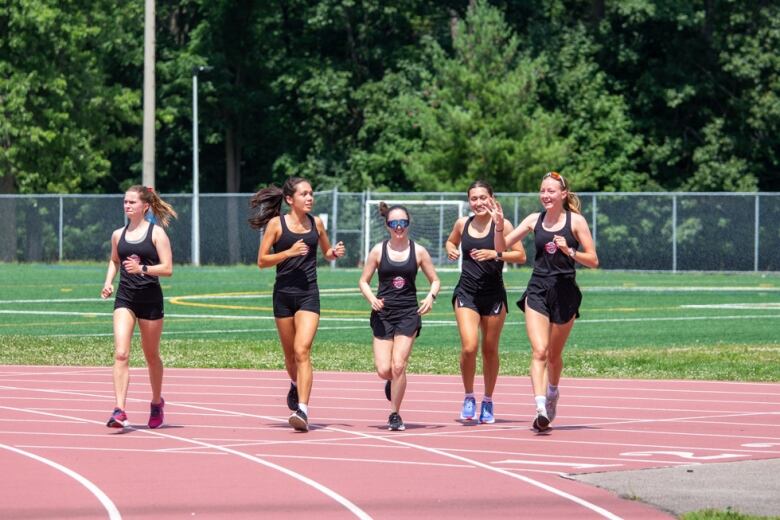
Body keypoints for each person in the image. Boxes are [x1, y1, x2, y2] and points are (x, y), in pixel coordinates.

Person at [492, 171, 599, 432]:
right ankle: (540, 408)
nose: (545, 196)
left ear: (563, 194)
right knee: (539, 351)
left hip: (565, 292)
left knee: (554, 355)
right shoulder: (533, 220)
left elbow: (593, 261)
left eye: (551, 191)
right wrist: (498, 226)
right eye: (542, 191)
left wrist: (569, 251)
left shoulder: (576, 222)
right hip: (538, 289)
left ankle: (552, 392)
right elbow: (501, 246)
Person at [249, 177, 345, 432]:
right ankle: (294, 383)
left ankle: (302, 409)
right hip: (282, 295)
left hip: (308, 295)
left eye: (311, 193)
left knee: (302, 351)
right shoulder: (276, 225)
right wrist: (288, 253)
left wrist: (333, 253)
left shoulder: (317, 223)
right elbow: (262, 260)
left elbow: (325, 253)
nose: (310, 198)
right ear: (290, 199)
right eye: (304, 194)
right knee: (290, 356)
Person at [445, 181, 526, 424]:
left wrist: (495, 254)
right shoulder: (463, 223)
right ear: (468, 201)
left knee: (490, 350)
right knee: (469, 346)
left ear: (492, 197)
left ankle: (488, 400)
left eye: (483, 197)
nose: (478, 203)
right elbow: (451, 241)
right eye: (474, 198)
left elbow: (521, 256)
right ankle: (469, 396)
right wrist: (451, 249)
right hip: (466, 293)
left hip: (493, 295)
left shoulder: (504, 224)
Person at [359, 203, 440, 431]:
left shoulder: (418, 251)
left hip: (408, 313)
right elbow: (363, 281)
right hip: (383, 313)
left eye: (402, 223)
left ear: (408, 224)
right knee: (384, 370)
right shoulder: (378, 251)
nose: (398, 227)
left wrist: (430, 297)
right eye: (394, 223)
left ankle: (394, 413)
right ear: (387, 226)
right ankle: (391, 382)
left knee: (398, 365)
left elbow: (435, 279)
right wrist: (371, 298)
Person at [101, 185, 177, 429]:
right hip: (125, 298)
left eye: (132, 202)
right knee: (121, 353)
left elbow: (167, 269)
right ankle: (119, 410)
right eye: (125, 201)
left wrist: (143, 269)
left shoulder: (157, 234)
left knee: (151, 355)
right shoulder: (117, 235)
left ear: (145, 206)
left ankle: (156, 403)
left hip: (150, 299)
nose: (127, 205)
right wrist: (108, 282)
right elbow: (115, 260)